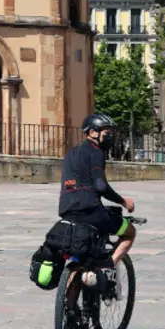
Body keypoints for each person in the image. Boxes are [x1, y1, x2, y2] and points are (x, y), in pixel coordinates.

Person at [59, 113, 136, 269]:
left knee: (80, 256)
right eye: (107, 133)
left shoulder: (70, 153)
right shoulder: (95, 151)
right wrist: (123, 201)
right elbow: (101, 186)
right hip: (91, 211)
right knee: (129, 232)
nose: (111, 137)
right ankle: (108, 265)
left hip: (67, 210)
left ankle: (71, 289)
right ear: (93, 132)